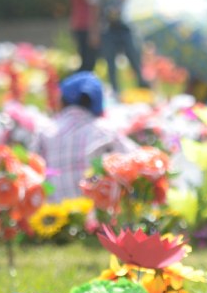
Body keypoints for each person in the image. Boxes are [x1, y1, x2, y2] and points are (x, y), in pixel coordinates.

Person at [33, 71, 135, 202]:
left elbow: (33, 176)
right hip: (97, 218)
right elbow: (137, 162)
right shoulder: (104, 131)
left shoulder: (45, 132)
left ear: (63, 101)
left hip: (53, 216)